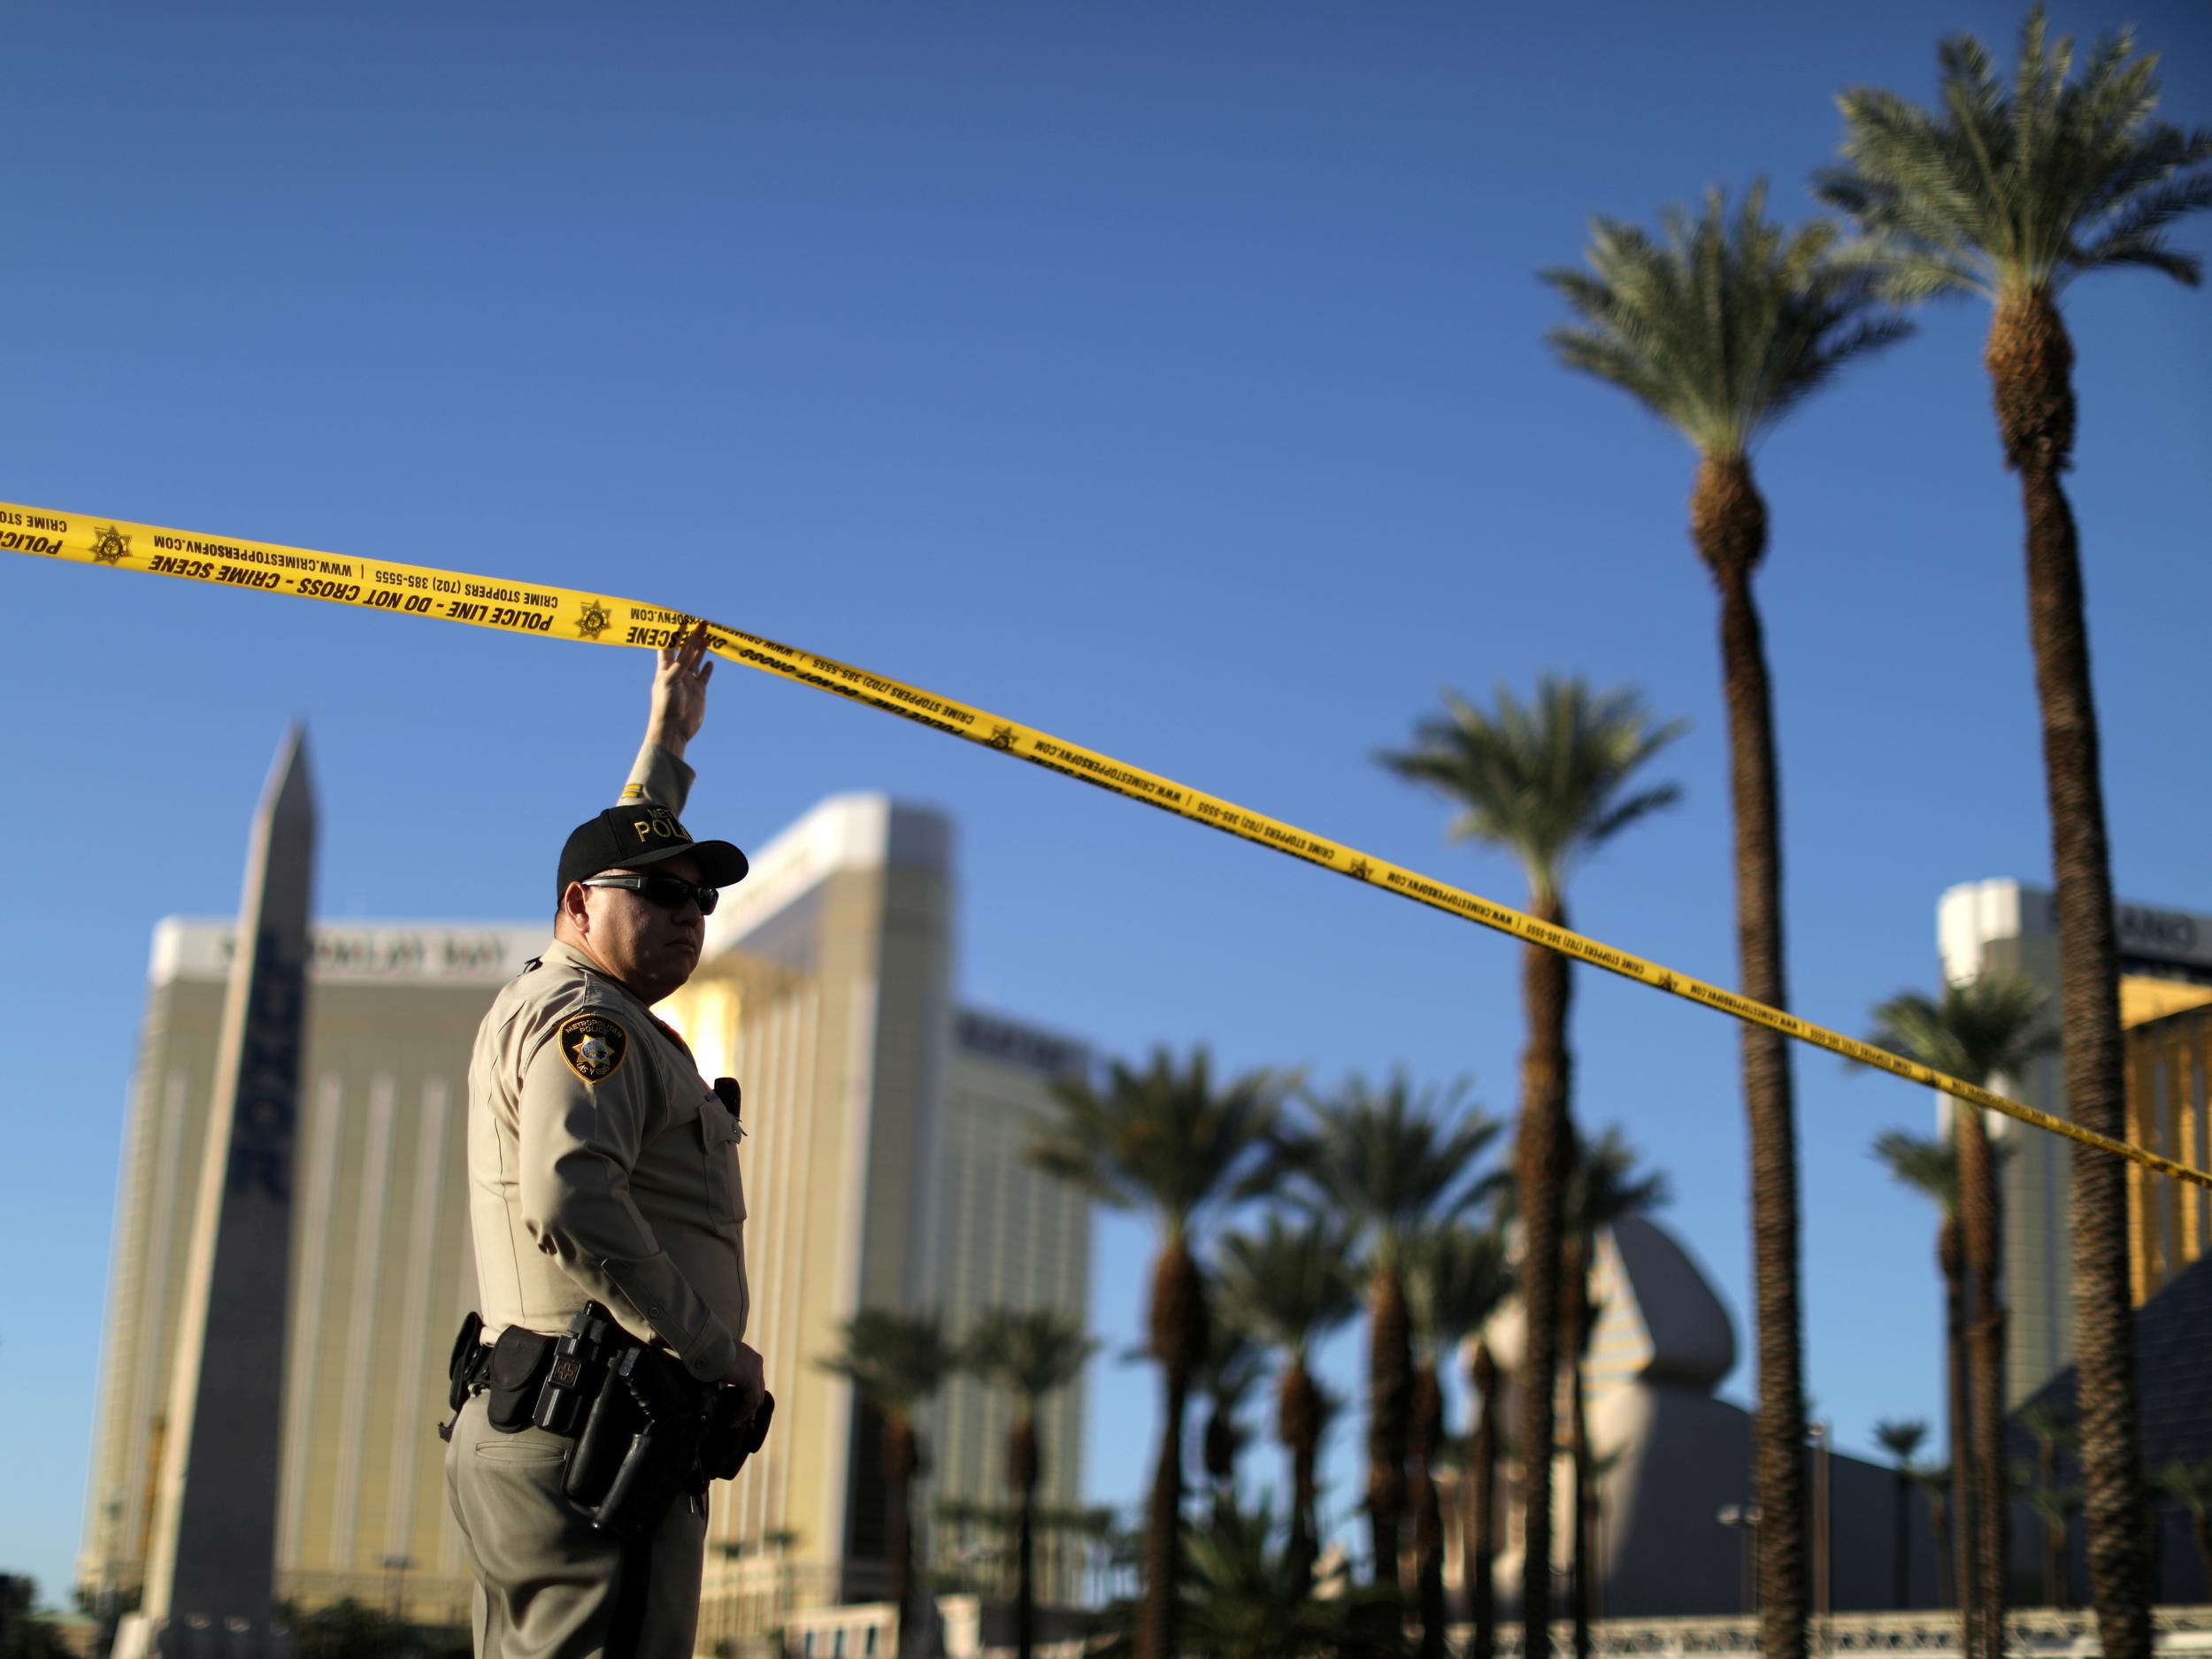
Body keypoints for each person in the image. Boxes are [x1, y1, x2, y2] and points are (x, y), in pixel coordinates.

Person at [446, 622, 765, 1659]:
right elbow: (571, 1200)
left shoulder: (577, 996)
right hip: (597, 1433)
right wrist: (716, 1355)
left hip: (567, 1424)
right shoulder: (593, 1024)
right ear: (579, 907)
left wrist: (665, 741)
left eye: (703, 899)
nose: (689, 914)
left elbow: (627, 844)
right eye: (663, 895)